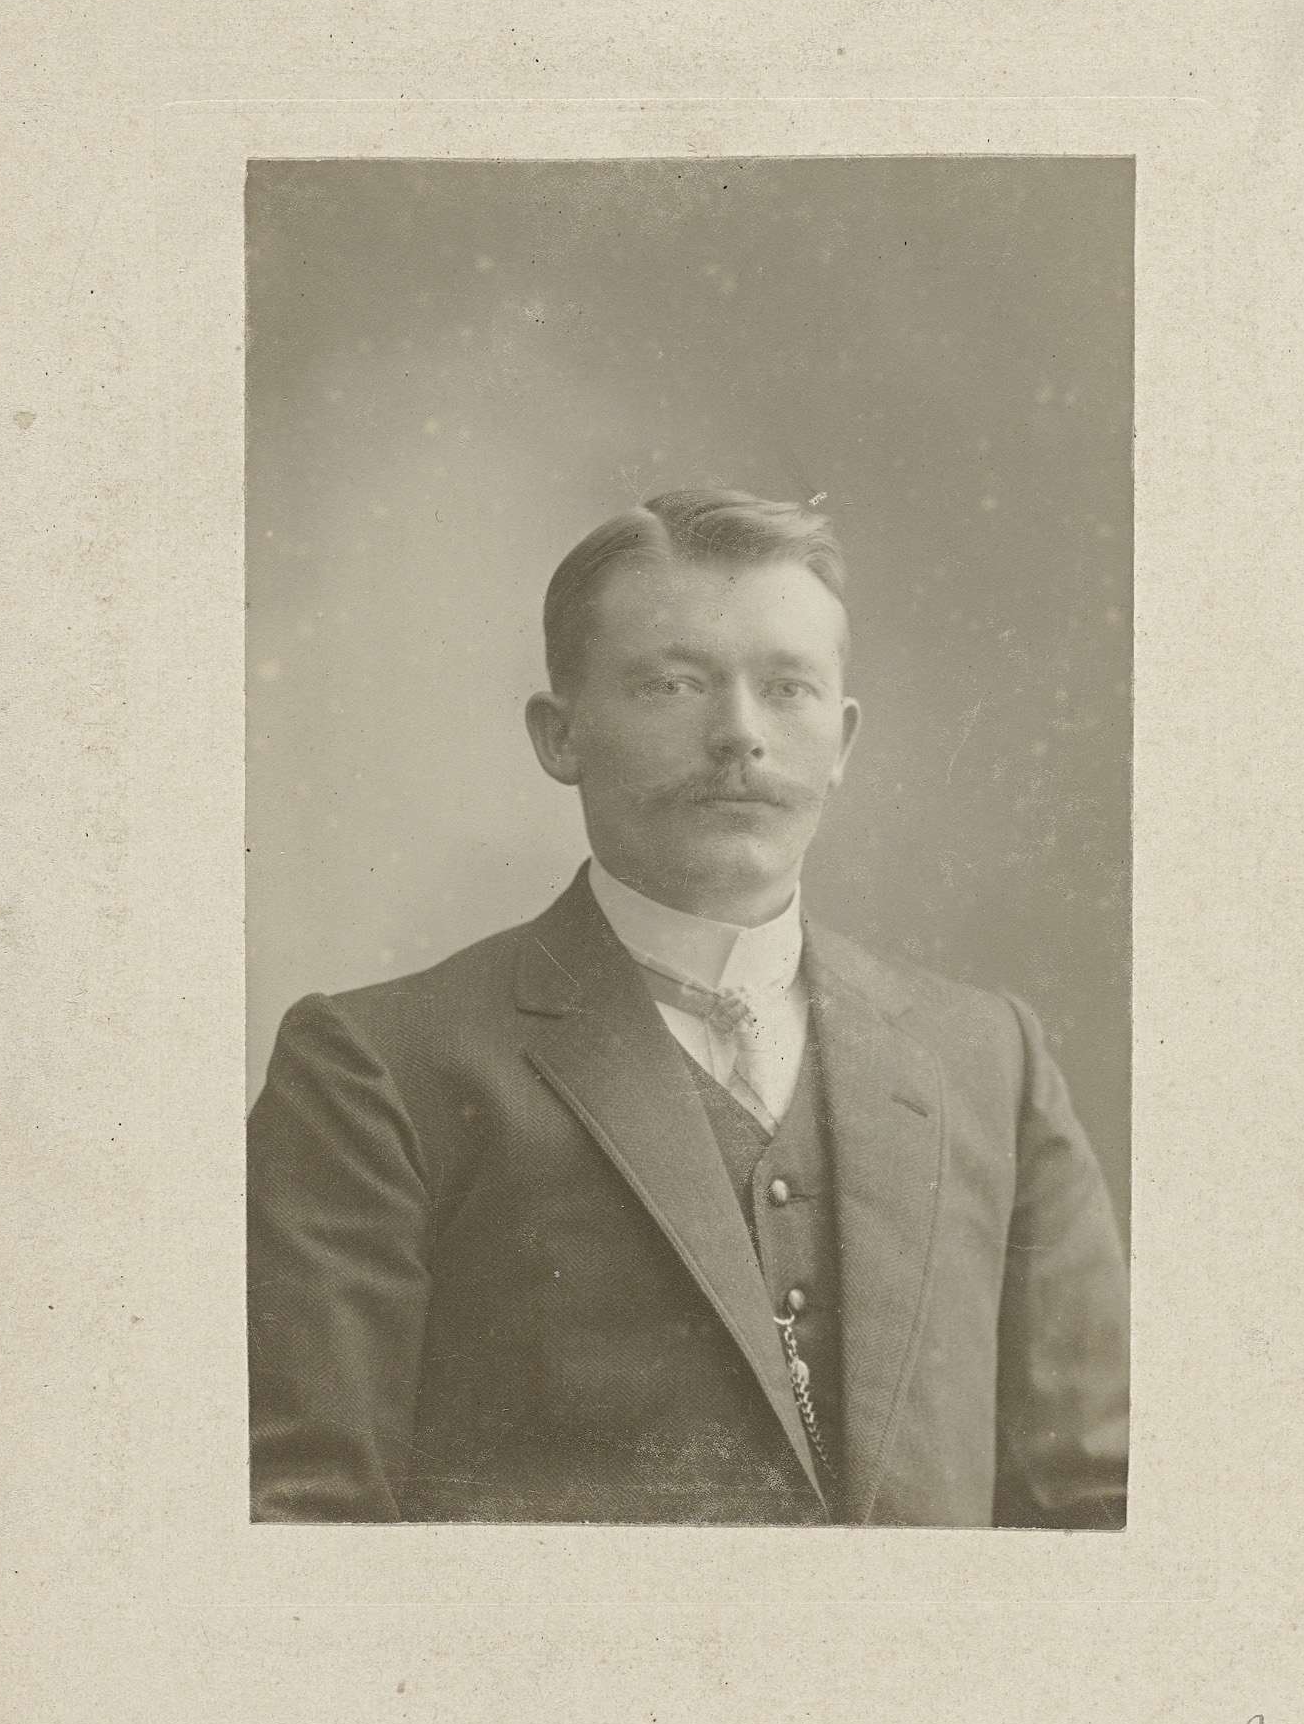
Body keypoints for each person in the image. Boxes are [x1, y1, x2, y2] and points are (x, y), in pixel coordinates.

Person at [248, 488, 1129, 1526]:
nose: (739, 735)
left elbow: (1096, 1506)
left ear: (842, 741)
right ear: (559, 735)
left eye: (788, 688)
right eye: (672, 684)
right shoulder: (379, 1067)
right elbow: (307, 1523)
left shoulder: (987, 1061)